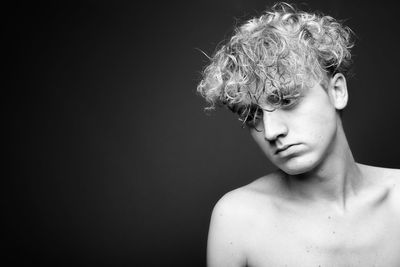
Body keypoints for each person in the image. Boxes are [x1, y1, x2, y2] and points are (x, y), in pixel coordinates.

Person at [196, 2, 400, 267]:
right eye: (252, 116)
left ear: (337, 91)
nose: (271, 131)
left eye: (286, 100)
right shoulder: (238, 220)